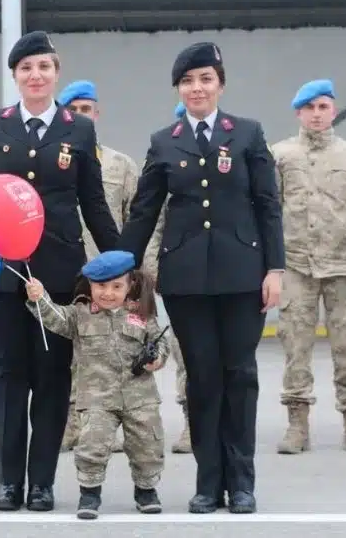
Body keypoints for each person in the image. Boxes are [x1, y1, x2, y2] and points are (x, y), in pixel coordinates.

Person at [117, 42, 285, 514]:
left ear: (220, 85)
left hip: (242, 276)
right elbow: (144, 210)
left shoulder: (247, 134)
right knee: (203, 379)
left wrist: (275, 268)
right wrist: (121, 269)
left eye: (205, 79)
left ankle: (243, 481)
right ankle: (209, 482)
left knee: (241, 375)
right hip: (187, 279)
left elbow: (268, 205)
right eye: (188, 81)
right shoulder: (164, 141)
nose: (197, 88)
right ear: (178, 88)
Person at [0, 31, 120, 512]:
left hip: (58, 271)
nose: (36, 76)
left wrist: (121, 265)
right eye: (27, 68)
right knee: (8, 373)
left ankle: (42, 482)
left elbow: (92, 202)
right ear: (15, 76)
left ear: (56, 73)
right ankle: (9, 481)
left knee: (52, 376)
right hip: (3, 273)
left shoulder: (79, 130)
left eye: (44, 67)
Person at [271, 79, 346, 455]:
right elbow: (269, 214)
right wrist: (270, 267)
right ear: (298, 113)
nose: (317, 114)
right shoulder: (281, 155)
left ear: (333, 111)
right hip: (296, 265)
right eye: (309, 108)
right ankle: (296, 426)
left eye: (323, 107)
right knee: (295, 349)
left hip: (343, 266)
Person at [25, 250, 169, 520]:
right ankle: (90, 493)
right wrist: (40, 297)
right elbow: (56, 317)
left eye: (117, 287)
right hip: (97, 398)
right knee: (92, 445)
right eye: (101, 286)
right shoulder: (80, 314)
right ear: (90, 285)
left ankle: (146, 490)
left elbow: (160, 342)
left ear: (130, 286)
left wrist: (157, 359)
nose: (108, 293)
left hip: (140, 397)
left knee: (147, 446)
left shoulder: (141, 313)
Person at [56, 79, 140, 454]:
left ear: (97, 113)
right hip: (74, 272)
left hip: (114, 280)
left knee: (117, 351)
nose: (80, 116)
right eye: (74, 110)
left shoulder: (122, 165)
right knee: (75, 354)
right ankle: (74, 425)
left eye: (87, 109)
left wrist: (136, 273)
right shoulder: (54, 156)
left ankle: (118, 425)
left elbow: (137, 221)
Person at [144, 101, 193, 455]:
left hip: (219, 276)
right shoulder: (167, 164)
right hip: (177, 275)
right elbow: (153, 224)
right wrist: (152, 272)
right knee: (183, 351)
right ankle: (192, 423)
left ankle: (207, 423)